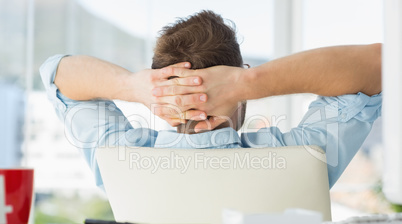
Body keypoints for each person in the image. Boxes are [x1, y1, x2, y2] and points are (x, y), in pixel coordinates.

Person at [40, 10, 382, 190]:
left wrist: (134, 86)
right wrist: (249, 82)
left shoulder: (119, 158)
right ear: (238, 86)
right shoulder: (302, 159)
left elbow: (56, 72)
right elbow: (381, 64)